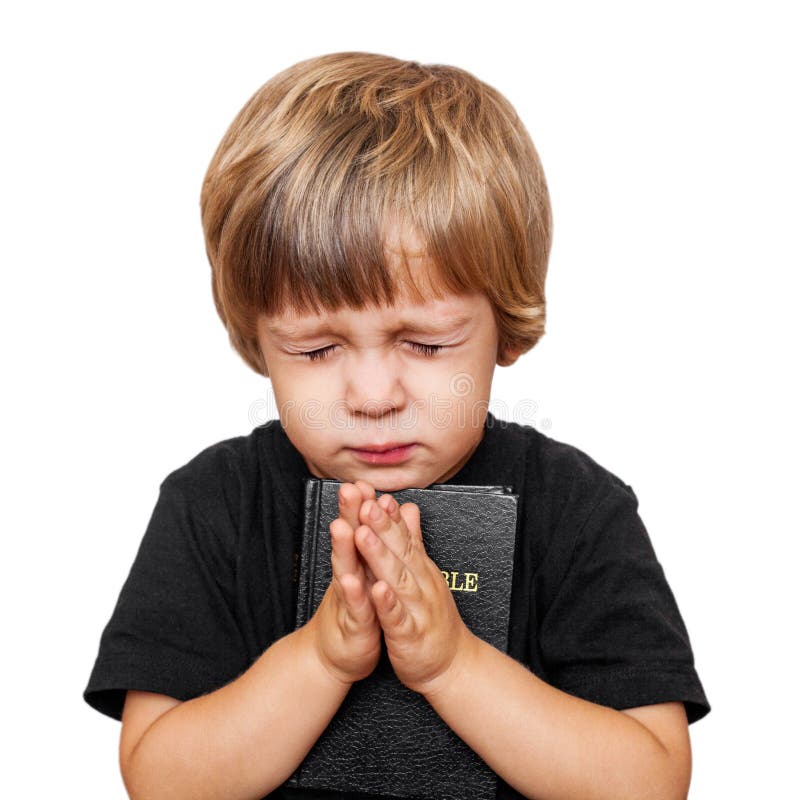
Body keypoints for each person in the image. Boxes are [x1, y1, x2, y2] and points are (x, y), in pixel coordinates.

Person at [83, 51, 710, 800]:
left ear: (503, 325)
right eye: (316, 349)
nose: (373, 395)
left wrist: (453, 666)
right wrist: (321, 659)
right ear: (259, 341)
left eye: (424, 343)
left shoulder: (578, 509)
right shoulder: (215, 505)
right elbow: (159, 780)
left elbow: (651, 782)